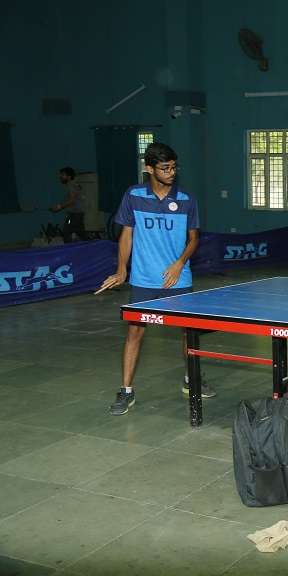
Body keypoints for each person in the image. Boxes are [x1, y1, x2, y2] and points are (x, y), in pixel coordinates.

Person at [99, 143, 211, 416]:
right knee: (134, 333)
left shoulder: (186, 198)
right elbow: (126, 235)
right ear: (150, 168)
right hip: (143, 279)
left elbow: (194, 239)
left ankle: (191, 380)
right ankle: (126, 391)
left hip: (178, 278)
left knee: (188, 331)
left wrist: (179, 264)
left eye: (174, 167)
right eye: (165, 168)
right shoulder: (134, 195)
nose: (171, 172)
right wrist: (122, 270)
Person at [51, 167, 90, 243]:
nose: (61, 176)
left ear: (69, 176)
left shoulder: (70, 186)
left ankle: (68, 248)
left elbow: (72, 200)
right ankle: (91, 244)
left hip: (74, 214)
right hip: (78, 213)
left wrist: (58, 206)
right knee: (80, 231)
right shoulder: (69, 185)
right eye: (61, 174)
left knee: (67, 230)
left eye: (63, 174)